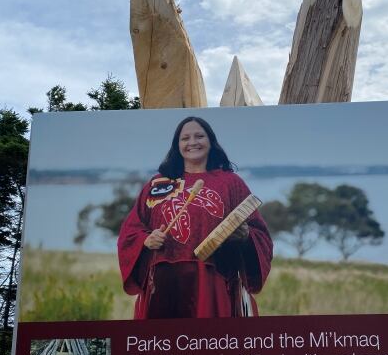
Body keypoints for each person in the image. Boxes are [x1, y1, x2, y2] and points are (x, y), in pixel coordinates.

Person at [117, 116, 273, 319]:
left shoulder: (230, 183)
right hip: (164, 281)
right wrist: (146, 239)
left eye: (199, 136)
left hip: (213, 279)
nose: (192, 142)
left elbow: (259, 233)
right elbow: (131, 230)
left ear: (211, 141)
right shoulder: (158, 184)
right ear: (177, 145)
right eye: (185, 138)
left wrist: (245, 235)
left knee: (209, 342)